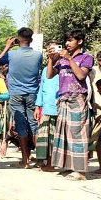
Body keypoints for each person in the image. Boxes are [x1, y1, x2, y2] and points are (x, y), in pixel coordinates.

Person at [46, 29, 94, 180]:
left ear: (79, 41)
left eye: (71, 40)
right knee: (64, 134)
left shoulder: (86, 57)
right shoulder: (61, 60)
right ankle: (68, 166)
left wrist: (70, 59)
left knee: (78, 134)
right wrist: (50, 59)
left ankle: (80, 171)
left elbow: (81, 75)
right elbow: (49, 75)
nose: (67, 43)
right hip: (63, 99)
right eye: (66, 40)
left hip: (77, 98)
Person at [0, 27, 42, 169]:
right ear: (31, 40)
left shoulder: (11, 54)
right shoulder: (38, 55)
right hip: (33, 93)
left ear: (18, 39)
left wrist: (7, 47)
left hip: (15, 94)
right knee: (34, 125)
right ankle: (40, 159)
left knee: (21, 126)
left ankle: (25, 160)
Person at [34, 43, 60, 172]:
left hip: (58, 108)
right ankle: (44, 162)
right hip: (46, 108)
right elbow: (41, 89)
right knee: (44, 137)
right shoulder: (45, 70)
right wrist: (38, 106)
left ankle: (51, 164)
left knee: (54, 138)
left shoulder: (64, 68)